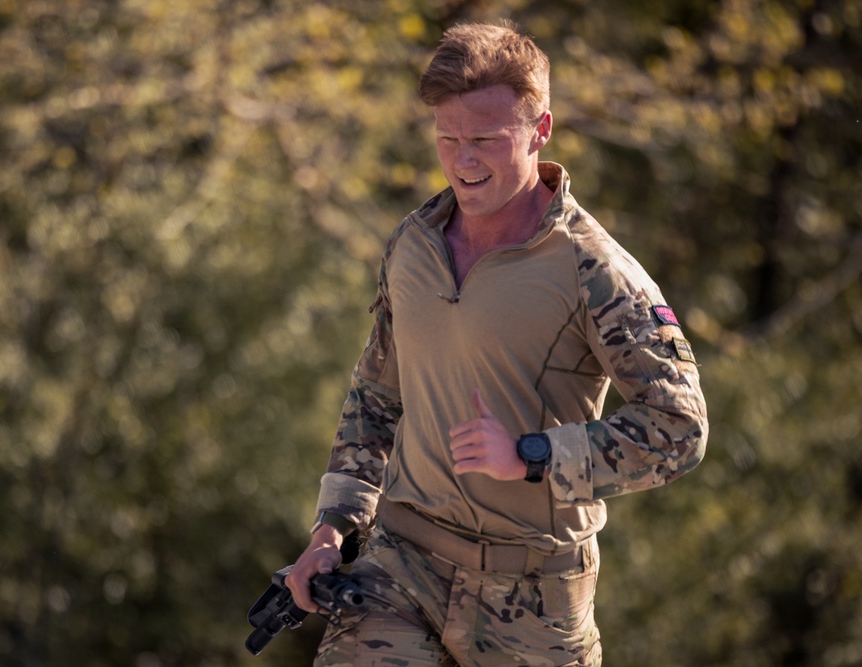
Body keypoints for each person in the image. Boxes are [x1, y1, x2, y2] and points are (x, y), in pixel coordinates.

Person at [286, 20, 708, 667]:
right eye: (448, 139)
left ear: (540, 130)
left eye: (485, 138)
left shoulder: (595, 271)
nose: (463, 159)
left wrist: (534, 453)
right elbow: (375, 398)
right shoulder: (414, 244)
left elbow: (680, 429)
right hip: (402, 564)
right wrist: (333, 530)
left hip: (535, 594)